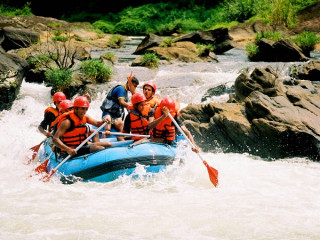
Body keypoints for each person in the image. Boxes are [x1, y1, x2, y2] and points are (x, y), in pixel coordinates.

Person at [100, 72, 139, 140]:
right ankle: (102, 141)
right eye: (134, 86)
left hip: (115, 116)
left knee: (121, 126)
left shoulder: (126, 92)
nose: (134, 88)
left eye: (135, 87)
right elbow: (121, 102)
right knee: (108, 126)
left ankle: (122, 142)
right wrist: (130, 106)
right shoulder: (121, 89)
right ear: (129, 83)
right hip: (107, 113)